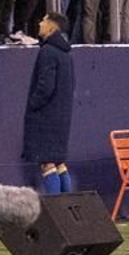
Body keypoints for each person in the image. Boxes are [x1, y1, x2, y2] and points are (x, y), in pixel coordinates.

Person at [22, 12, 76, 194]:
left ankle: (56, 207)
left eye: (44, 20)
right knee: (59, 163)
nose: (40, 23)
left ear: (52, 27)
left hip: (46, 118)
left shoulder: (47, 52)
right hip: (61, 117)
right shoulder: (66, 54)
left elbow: (45, 87)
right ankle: (67, 206)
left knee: (47, 164)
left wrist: (33, 104)